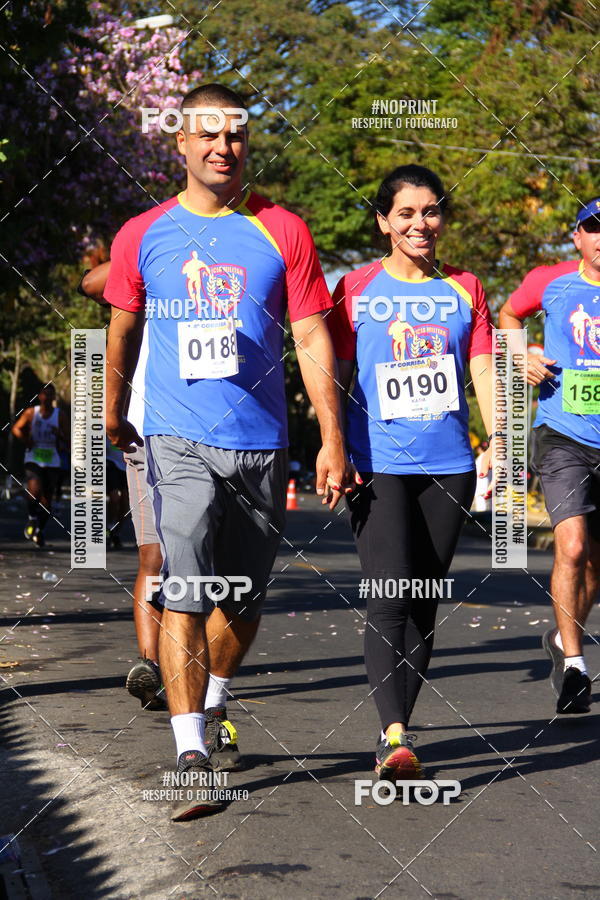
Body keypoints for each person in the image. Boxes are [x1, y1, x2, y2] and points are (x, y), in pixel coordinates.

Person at [104, 83, 352, 820]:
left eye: (235, 136)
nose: (222, 147)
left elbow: (311, 336)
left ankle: (209, 703)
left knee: (241, 599)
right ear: (179, 144)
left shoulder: (284, 232)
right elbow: (120, 328)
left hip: (261, 444)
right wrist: (113, 410)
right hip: (175, 437)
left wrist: (332, 436)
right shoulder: (142, 233)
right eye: (207, 135)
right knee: (183, 579)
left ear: (247, 144)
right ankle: (190, 754)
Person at [327, 164, 494, 780]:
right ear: (383, 222)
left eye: (430, 211)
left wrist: (500, 437)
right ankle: (392, 733)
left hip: (450, 465)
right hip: (379, 463)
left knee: (424, 599)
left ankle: (400, 728)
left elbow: (480, 368)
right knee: (391, 593)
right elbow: (336, 376)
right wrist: (332, 445)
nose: (420, 224)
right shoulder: (356, 287)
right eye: (406, 213)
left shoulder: (467, 287)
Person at [498, 197, 600, 715]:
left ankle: (562, 641)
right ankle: (578, 667)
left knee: (596, 564)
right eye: (593, 228)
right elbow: (509, 314)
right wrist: (524, 356)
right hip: (563, 435)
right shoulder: (551, 281)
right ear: (576, 237)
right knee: (573, 544)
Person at [80, 262, 166, 711]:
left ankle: (197, 671)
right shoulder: (149, 269)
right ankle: (150, 666)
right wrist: (152, 247)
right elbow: (89, 283)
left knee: (204, 556)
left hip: (210, 431)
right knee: (153, 555)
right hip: (146, 430)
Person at [11, 384, 69, 548]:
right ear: (39, 396)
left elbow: (70, 439)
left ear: (54, 397)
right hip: (34, 456)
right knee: (34, 490)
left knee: (47, 500)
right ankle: (32, 518)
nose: (48, 398)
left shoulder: (60, 415)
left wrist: (61, 436)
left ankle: (39, 531)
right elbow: (16, 428)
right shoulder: (31, 413)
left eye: (51, 394)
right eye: (45, 394)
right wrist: (26, 439)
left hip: (52, 459)